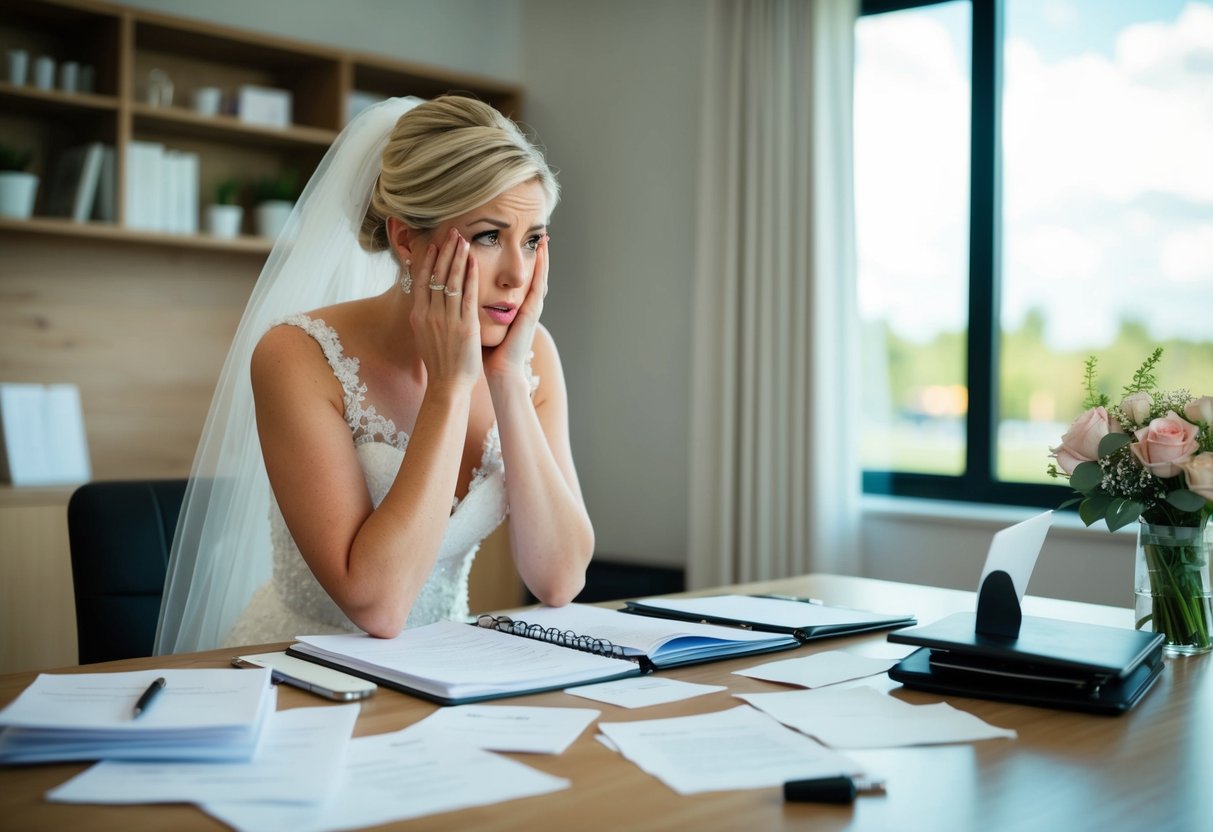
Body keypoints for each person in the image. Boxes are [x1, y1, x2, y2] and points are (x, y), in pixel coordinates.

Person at [154, 95, 593, 653]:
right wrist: (451, 387)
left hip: (444, 673)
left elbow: (560, 580)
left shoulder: (532, 357)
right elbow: (378, 607)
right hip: (302, 672)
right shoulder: (297, 355)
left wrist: (506, 381)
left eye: (532, 240)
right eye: (489, 236)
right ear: (407, 239)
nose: (517, 275)